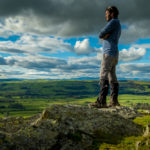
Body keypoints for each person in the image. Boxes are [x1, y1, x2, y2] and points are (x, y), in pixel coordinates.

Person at [89, 6, 121, 108]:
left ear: (112, 13)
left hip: (109, 52)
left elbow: (101, 34)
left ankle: (101, 101)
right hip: (114, 53)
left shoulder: (113, 22)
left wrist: (103, 36)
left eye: (107, 13)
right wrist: (105, 36)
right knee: (112, 77)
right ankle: (114, 101)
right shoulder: (117, 23)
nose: (105, 15)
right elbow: (103, 35)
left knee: (104, 74)